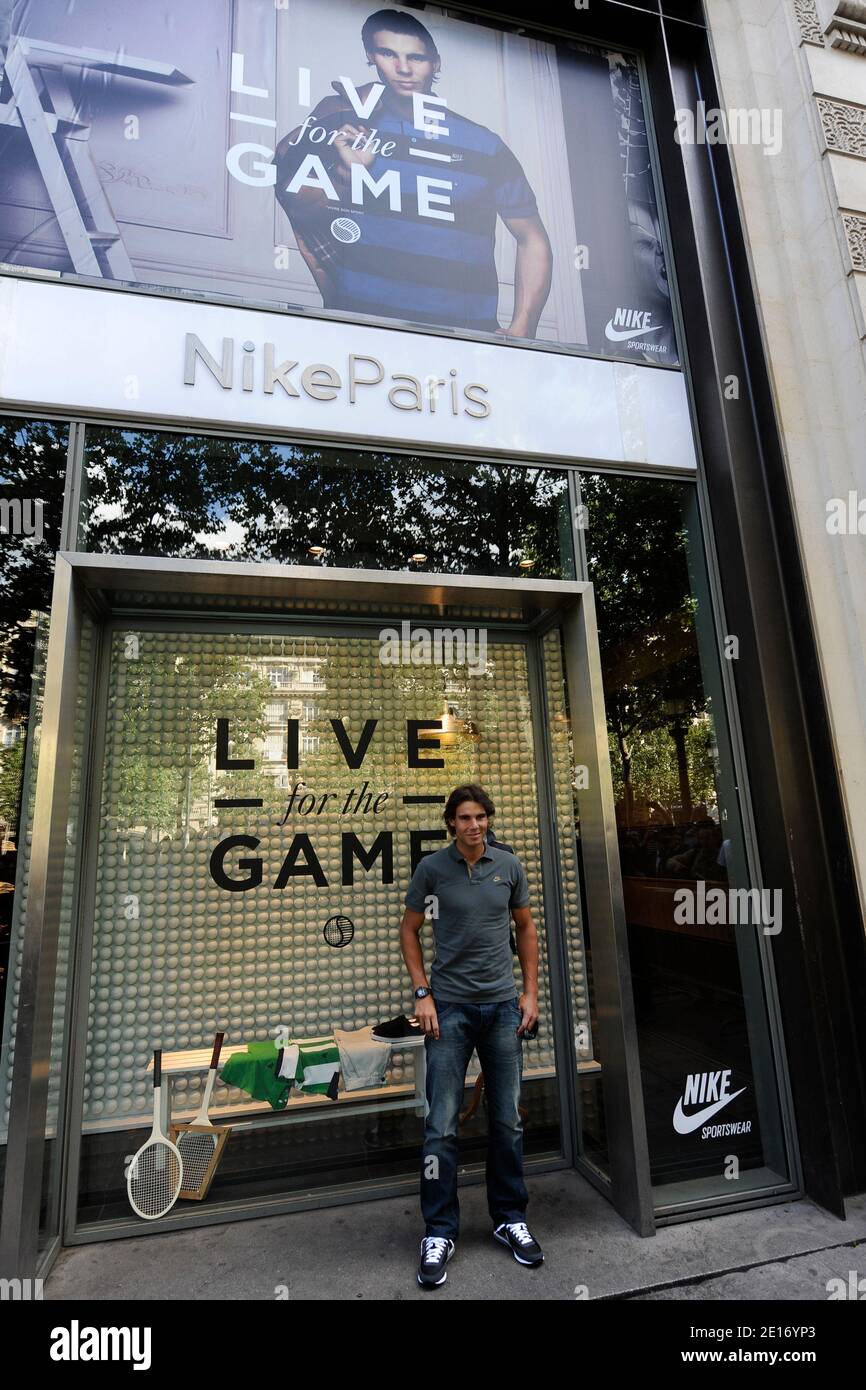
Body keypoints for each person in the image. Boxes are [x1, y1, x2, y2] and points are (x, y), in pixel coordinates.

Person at [274, 8, 552, 336]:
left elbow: (531, 237)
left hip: (468, 339)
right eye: (388, 54)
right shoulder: (345, 126)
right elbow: (301, 213)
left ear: (436, 62)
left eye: (416, 58)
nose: (403, 68)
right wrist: (345, 173)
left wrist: (523, 325)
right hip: (361, 327)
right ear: (371, 57)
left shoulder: (483, 144)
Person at [400, 782, 543, 1289]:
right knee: (441, 1125)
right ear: (451, 824)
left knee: (507, 1121)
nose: (473, 825)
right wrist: (423, 993)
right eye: (464, 818)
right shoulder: (432, 870)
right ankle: (439, 1229)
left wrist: (529, 993)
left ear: (489, 820)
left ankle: (510, 1218)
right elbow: (409, 930)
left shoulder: (509, 867)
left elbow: (525, 929)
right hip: (451, 1012)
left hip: (504, 1009)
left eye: (480, 817)